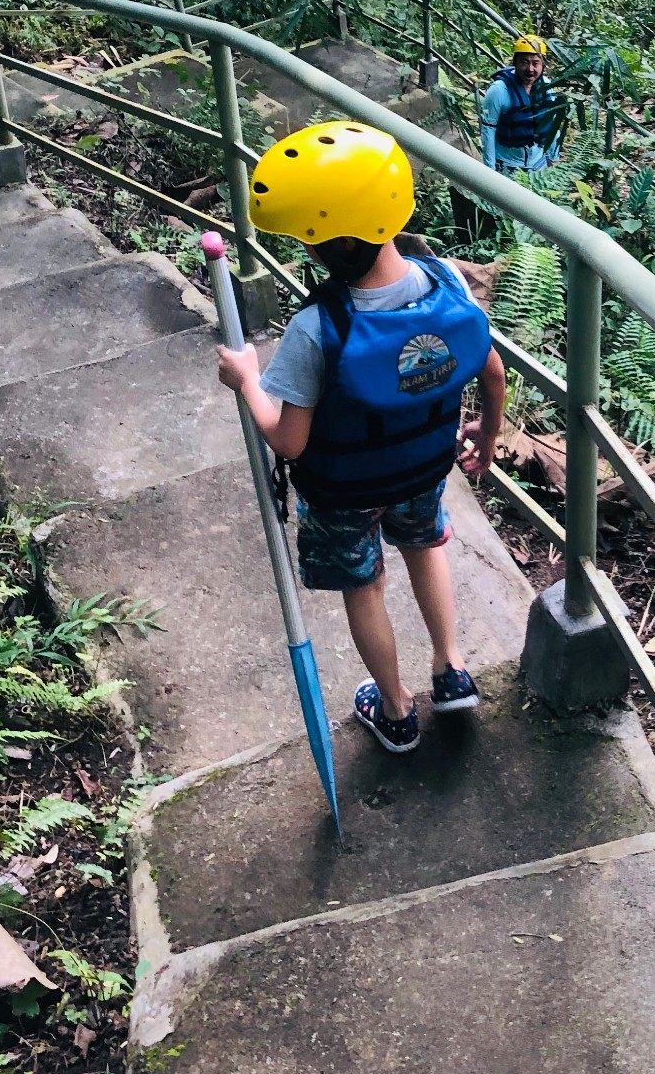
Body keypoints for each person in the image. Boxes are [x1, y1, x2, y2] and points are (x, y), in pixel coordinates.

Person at [215, 120, 506, 755]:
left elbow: (288, 442)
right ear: (394, 212)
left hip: (344, 492)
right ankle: (451, 669)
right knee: (426, 546)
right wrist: (488, 430)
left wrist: (247, 381)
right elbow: (489, 366)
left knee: (364, 583)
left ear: (315, 246)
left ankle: (397, 711)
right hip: (424, 468)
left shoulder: (318, 328)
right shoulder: (449, 283)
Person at [479, 33, 562, 173]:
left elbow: (552, 123)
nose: (530, 69)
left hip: (538, 163)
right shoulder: (499, 91)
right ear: (515, 63)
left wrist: (554, 157)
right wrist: (490, 169)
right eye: (524, 62)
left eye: (535, 63)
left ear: (542, 65)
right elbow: (488, 130)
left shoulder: (546, 88)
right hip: (507, 165)